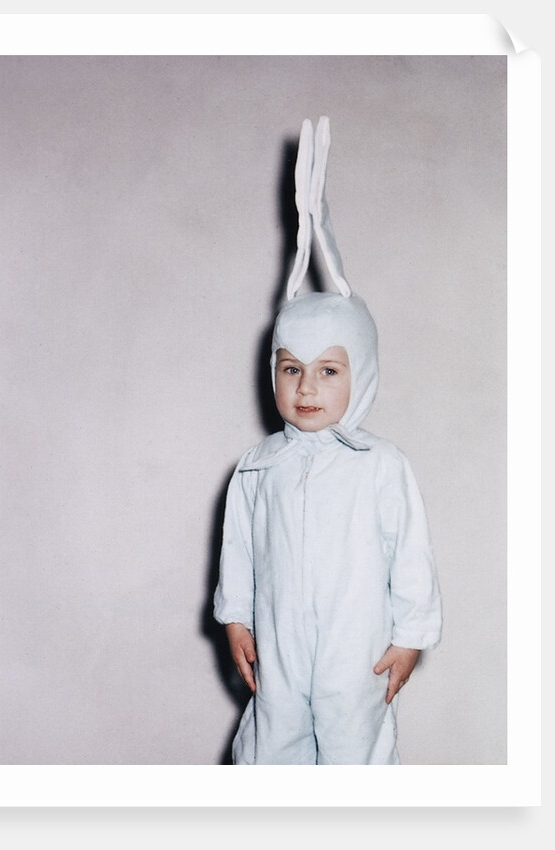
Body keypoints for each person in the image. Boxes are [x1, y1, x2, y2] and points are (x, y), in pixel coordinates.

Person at [213, 117, 442, 765]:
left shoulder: (382, 466)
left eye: (328, 371)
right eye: (292, 369)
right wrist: (236, 617)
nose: (307, 388)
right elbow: (240, 546)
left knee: (354, 746)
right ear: (274, 372)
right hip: (281, 645)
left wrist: (411, 636)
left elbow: (411, 556)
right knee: (273, 737)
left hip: (357, 648)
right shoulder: (258, 468)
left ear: (361, 373)